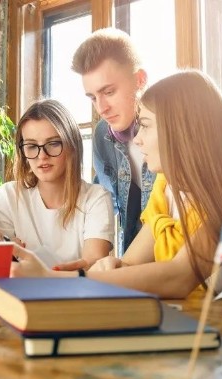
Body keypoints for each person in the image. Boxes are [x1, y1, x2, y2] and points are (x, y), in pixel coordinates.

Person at [10, 70, 222, 299]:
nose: (137, 140)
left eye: (146, 126)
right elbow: (129, 263)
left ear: (181, 131)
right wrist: (112, 266)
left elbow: (179, 277)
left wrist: (51, 278)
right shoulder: (165, 186)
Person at [0, 99, 114, 269]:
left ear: (72, 145)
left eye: (53, 144)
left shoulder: (96, 198)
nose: (42, 156)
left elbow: (94, 269)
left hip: (77, 295)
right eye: (31, 146)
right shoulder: (8, 195)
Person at [71, 28, 155, 257]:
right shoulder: (102, 136)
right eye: (92, 97)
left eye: (108, 91)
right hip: (133, 266)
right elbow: (105, 209)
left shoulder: (174, 128)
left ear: (140, 80)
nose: (101, 108)